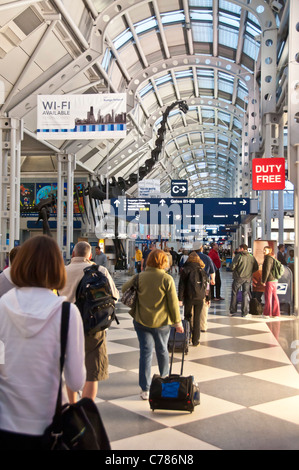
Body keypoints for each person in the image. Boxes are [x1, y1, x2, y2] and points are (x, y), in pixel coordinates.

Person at [0, 235, 86, 450]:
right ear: (58, 267)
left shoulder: (2, 305)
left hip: (4, 422)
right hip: (47, 426)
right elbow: (76, 381)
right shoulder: (67, 312)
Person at [59, 241, 119, 402]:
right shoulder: (100, 270)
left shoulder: (62, 271)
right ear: (90, 255)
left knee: (71, 368)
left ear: (73, 254)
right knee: (93, 372)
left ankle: (72, 406)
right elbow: (115, 295)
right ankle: (86, 412)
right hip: (93, 326)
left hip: (67, 325)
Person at [121, 249, 183, 400]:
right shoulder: (166, 279)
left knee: (145, 353)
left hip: (141, 321)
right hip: (162, 323)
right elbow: (173, 304)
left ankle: (145, 389)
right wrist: (178, 323)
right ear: (163, 262)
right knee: (162, 351)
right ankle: (164, 382)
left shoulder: (140, 277)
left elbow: (123, 289)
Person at [178, 251, 209, 346]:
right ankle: (196, 341)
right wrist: (208, 298)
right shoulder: (202, 270)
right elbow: (206, 286)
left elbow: (181, 285)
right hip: (200, 297)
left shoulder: (185, 269)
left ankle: (188, 337)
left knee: (187, 317)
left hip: (189, 297)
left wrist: (180, 298)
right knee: (197, 318)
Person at [229, 244, 259, 317]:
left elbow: (232, 267)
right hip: (248, 278)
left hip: (238, 277)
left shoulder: (238, 256)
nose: (238, 250)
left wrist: (234, 269)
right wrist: (250, 272)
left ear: (242, 249)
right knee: (245, 294)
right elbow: (256, 267)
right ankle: (244, 312)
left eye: (239, 248)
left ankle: (233, 310)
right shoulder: (251, 257)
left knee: (234, 293)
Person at [195, 244, 216, 332]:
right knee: (205, 303)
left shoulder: (190, 258)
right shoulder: (207, 258)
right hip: (205, 283)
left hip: (192, 283)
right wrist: (213, 280)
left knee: (193, 304)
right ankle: (203, 326)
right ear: (202, 249)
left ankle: (192, 325)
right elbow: (212, 271)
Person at [261, 246, 280, 317]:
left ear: (269, 250)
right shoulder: (273, 257)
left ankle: (267, 313)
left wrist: (264, 281)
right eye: (264, 250)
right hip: (275, 280)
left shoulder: (268, 258)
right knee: (274, 296)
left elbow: (267, 270)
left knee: (268, 296)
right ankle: (276, 313)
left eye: (265, 250)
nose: (264, 251)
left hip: (270, 280)